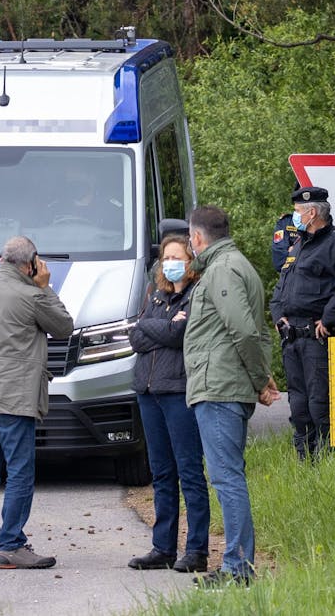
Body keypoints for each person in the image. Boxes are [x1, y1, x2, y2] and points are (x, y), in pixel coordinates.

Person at [0, 235, 75, 570]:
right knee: (20, 471)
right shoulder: (32, 295)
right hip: (15, 399)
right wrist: (46, 287)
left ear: (1, 260)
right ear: (31, 264)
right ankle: (12, 544)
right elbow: (64, 326)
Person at [183, 205, 280, 587]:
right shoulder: (240, 266)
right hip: (225, 384)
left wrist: (260, 380)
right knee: (227, 475)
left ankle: (237, 569)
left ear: (197, 238)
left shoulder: (222, 270)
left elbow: (242, 330)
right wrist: (263, 375)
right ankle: (236, 566)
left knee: (226, 478)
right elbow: (260, 330)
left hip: (219, 387)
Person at [126, 234, 210, 574]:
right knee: (161, 473)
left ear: (190, 263)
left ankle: (196, 550)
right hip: (148, 391)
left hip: (179, 392)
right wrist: (155, 327)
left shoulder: (196, 295)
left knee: (189, 471)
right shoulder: (156, 296)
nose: (170, 263)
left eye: (178, 257)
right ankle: (163, 547)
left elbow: (179, 336)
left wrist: (149, 328)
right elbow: (135, 336)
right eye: (166, 258)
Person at [271, 185, 335, 463]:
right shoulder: (299, 244)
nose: (295, 217)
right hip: (292, 338)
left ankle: (328, 462)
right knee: (299, 406)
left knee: (319, 404)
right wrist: (279, 316)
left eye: (299, 212)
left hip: (318, 338)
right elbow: (282, 287)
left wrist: (329, 318)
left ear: (312, 212)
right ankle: (305, 462)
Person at [47, 168, 123, 232]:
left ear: (93, 181)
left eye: (81, 183)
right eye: (72, 184)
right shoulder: (53, 208)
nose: (77, 188)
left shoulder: (110, 209)